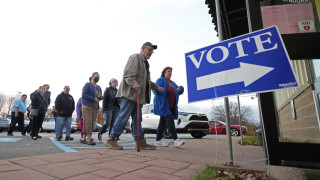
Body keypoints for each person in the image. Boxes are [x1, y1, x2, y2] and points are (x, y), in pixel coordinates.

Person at [105, 42, 164, 150]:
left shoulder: (145, 63)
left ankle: (140, 141)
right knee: (124, 116)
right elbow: (128, 74)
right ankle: (112, 138)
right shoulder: (136, 57)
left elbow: (146, 81)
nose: (150, 52)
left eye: (152, 51)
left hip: (138, 97)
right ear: (142, 49)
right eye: (149, 49)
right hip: (129, 94)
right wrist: (134, 84)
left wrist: (156, 87)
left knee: (138, 119)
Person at [153, 67, 185, 147]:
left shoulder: (172, 83)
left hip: (171, 106)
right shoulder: (161, 80)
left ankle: (158, 141)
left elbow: (179, 91)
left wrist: (180, 88)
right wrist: (157, 89)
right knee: (170, 120)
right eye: (168, 71)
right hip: (163, 105)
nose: (170, 73)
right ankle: (175, 140)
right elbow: (154, 89)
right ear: (164, 72)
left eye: (171, 71)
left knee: (162, 123)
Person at [81, 72, 103, 145]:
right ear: (92, 77)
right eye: (96, 76)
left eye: (98, 77)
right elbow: (84, 95)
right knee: (88, 122)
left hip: (95, 107)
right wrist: (93, 99)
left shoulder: (98, 87)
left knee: (91, 122)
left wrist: (100, 97)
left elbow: (101, 96)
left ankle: (83, 138)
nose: (98, 78)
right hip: (87, 106)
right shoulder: (87, 85)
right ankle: (89, 139)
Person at [98, 78, 120, 143]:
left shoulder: (118, 91)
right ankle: (100, 132)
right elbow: (104, 100)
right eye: (114, 82)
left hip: (117, 108)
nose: (115, 83)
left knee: (113, 124)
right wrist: (104, 109)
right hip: (109, 108)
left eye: (116, 82)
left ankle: (110, 137)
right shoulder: (108, 89)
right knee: (108, 123)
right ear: (111, 83)